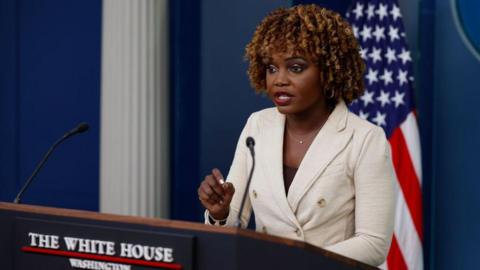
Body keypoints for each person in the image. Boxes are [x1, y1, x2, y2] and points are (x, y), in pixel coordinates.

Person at [197, 4, 395, 267]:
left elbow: (373, 244)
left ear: (328, 71)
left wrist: (295, 263)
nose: (279, 80)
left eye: (296, 68)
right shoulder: (258, 125)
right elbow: (235, 221)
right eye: (271, 68)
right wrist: (220, 213)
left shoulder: (365, 139)